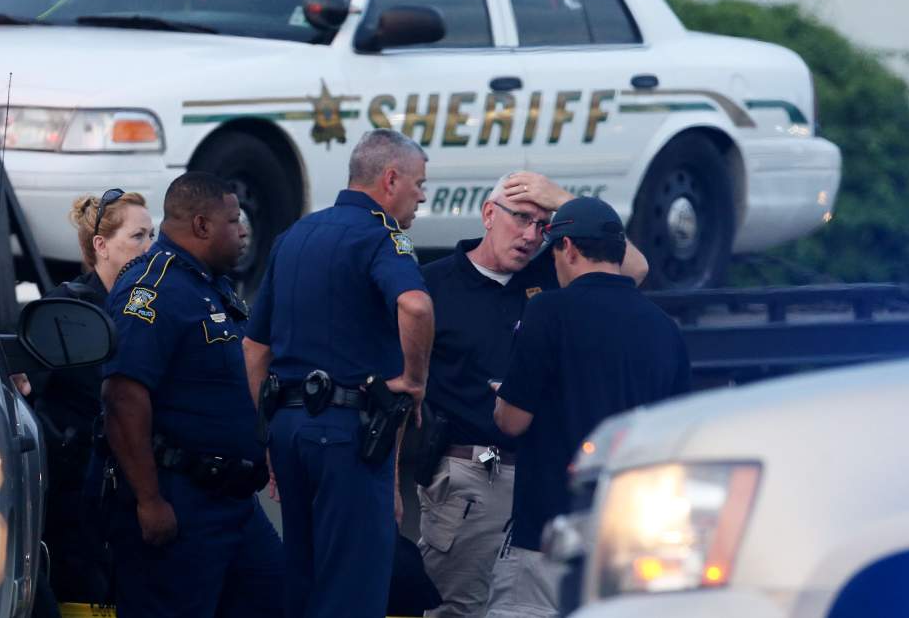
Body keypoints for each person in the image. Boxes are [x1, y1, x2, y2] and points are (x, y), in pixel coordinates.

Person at [416, 173, 648, 618]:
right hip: (470, 476)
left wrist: (563, 200)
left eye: (543, 226)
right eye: (521, 218)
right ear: (488, 214)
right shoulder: (433, 285)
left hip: (542, 479)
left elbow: (634, 267)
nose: (530, 235)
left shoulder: (553, 274)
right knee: (460, 609)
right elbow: (401, 385)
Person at [243, 128, 435, 618]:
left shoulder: (295, 235)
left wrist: (267, 435)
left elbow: (253, 348)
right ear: (390, 179)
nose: (421, 197)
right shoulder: (383, 235)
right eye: (418, 185)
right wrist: (415, 381)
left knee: (303, 581)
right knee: (353, 587)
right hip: (348, 436)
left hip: (288, 430)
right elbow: (414, 305)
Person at [485, 196, 691, 618]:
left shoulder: (548, 310)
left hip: (551, 533)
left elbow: (512, 421)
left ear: (570, 249)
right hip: (632, 540)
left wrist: (503, 397)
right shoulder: (663, 328)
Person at [101, 172, 282, 618]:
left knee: (276, 595)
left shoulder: (208, 284)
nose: (243, 232)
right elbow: (123, 396)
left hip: (235, 502)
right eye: (233, 220)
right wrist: (149, 500)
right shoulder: (154, 287)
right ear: (201, 225)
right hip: (182, 501)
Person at [30, 189, 154, 606]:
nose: (150, 248)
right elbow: (28, 392)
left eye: (152, 236)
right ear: (101, 246)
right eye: (138, 237)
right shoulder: (64, 308)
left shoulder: (150, 306)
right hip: (79, 493)